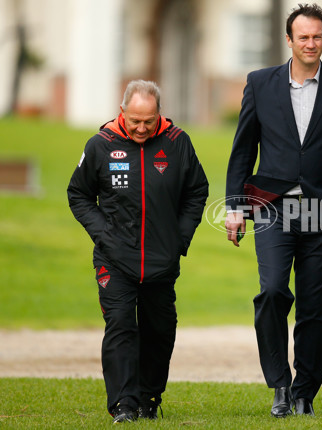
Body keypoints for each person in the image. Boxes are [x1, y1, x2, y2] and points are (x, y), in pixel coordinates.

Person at [225, 3, 322, 417]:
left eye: (317, 36)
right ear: (289, 39)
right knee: (272, 291)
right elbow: (242, 152)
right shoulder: (259, 83)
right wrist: (235, 206)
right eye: (303, 36)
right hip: (271, 207)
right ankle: (280, 385)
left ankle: (305, 391)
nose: (311, 43)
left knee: (317, 305)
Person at [67, 80, 209, 423]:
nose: (142, 128)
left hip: (161, 260)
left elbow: (197, 191)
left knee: (160, 330)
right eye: (135, 121)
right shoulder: (101, 145)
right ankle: (123, 406)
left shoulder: (178, 143)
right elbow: (79, 195)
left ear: (158, 114)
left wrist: (179, 239)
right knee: (120, 327)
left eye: (149, 121)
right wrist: (105, 235)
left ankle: (148, 398)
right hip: (115, 260)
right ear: (122, 113)